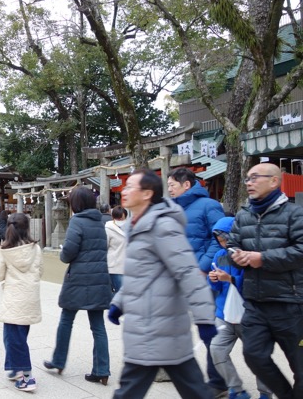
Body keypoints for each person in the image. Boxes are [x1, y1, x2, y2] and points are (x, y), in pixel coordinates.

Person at [110, 168, 216, 399]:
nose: (123, 191)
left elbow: (187, 272)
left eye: (130, 187)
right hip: (150, 324)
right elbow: (141, 274)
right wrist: (119, 302)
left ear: (147, 194)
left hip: (158, 324)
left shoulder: (162, 226)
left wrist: (205, 318)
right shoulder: (137, 225)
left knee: (130, 390)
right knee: (193, 389)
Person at [228, 162, 303, 399]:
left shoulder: (295, 213)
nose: (249, 183)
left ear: (274, 181)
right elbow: (231, 245)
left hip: (291, 303)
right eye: (247, 179)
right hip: (255, 301)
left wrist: (264, 258)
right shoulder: (243, 214)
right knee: (254, 356)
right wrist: (235, 256)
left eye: (255, 178)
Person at [43, 186, 111, 384]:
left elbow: (68, 253)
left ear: (77, 203)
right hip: (99, 279)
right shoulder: (100, 222)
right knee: (98, 326)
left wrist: (64, 252)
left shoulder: (77, 221)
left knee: (66, 320)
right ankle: (102, 369)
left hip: (79, 279)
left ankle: (58, 360)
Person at [168, 166, 226, 396]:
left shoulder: (210, 206)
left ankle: (218, 381)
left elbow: (221, 239)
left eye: (172, 185)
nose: (169, 189)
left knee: (209, 329)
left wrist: (203, 266)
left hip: (203, 279)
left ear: (186, 185)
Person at [207, 216, 272, 399]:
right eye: (219, 239)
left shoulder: (250, 254)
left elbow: (257, 284)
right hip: (224, 313)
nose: (222, 242)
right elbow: (215, 286)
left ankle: (266, 393)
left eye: (225, 237)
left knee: (257, 356)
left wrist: (232, 279)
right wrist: (213, 280)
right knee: (216, 349)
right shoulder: (219, 255)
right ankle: (236, 389)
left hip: (250, 314)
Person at [0, 212, 43, 392]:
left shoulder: (5, 250)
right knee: (16, 336)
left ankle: (27, 377)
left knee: (15, 339)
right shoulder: (35, 248)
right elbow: (40, 271)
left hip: (14, 299)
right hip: (30, 297)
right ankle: (14, 368)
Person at [105, 205, 127, 294]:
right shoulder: (108, 229)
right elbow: (104, 247)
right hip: (114, 267)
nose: (120, 221)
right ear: (113, 217)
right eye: (118, 219)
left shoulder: (129, 228)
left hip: (127, 266)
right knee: (120, 293)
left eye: (122, 219)